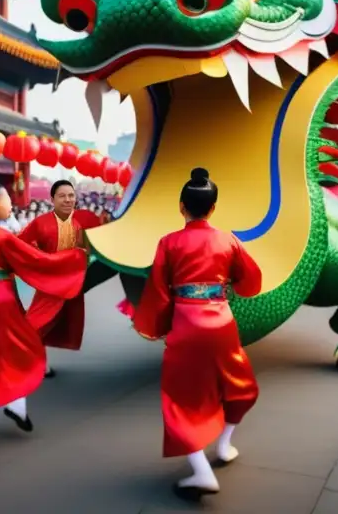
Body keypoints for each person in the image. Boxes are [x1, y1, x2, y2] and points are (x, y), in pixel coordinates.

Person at [133, 168, 263, 498]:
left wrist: (158, 327)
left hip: (187, 324)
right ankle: (224, 444)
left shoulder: (169, 242)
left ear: (181, 207)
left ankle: (202, 470)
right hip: (221, 322)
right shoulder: (228, 239)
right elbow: (250, 280)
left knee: (182, 397)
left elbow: (159, 293)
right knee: (238, 384)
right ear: (213, 208)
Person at [0, 183, 88, 454]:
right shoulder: (1, 237)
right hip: (1, 301)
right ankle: (5, 406)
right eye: (6, 199)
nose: (10, 204)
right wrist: (74, 258)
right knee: (27, 348)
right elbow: (37, 261)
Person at [18, 180, 99, 373]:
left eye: (71, 195)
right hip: (50, 284)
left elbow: (99, 245)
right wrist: (41, 261)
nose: (67, 200)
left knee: (57, 322)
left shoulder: (85, 221)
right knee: (37, 323)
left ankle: (36, 363)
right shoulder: (40, 223)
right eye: (62, 196)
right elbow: (20, 245)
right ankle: (23, 360)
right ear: (52, 199)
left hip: (74, 283)